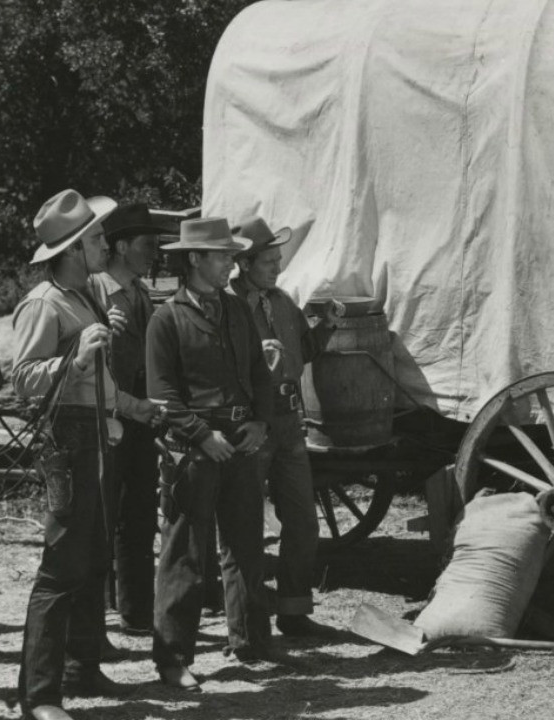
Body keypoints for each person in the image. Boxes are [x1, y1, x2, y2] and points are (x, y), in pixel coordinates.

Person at [11, 189, 162, 720]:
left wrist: (137, 409)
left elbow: (99, 384)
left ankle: (82, 667)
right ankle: (38, 697)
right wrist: (75, 357)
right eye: (97, 238)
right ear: (73, 249)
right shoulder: (43, 303)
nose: (105, 245)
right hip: (69, 444)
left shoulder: (88, 300)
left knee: (94, 557)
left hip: (101, 435)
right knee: (60, 567)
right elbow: (23, 381)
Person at [147, 216, 274, 691]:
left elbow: (260, 370)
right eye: (221, 255)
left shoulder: (237, 309)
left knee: (246, 546)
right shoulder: (167, 318)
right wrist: (201, 435)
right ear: (194, 259)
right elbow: (162, 395)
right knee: (185, 555)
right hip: (194, 451)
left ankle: (251, 641)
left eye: (231, 255)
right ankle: (173, 658)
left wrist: (260, 421)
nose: (230, 263)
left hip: (241, 440)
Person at [228, 215, 343, 636]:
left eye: (278, 259)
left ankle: (294, 612)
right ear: (244, 263)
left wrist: (325, 328)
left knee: (303, 522)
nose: (277, 267)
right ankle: (249, 624)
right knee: (244, 528)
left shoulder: (280, 302)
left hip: (289, 423)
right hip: (252, 423)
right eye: (269, 261)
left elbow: (304, 352)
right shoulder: (229, 306)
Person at [90, 203, 170, 638]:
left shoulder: (139, 292)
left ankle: (135, 611)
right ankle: (98, 611)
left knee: (138, 514)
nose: (154, 253)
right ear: (121, 246)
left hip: (140, 417)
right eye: (147, 244)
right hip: (105, 418)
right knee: (103, 514)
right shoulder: (95, 293)